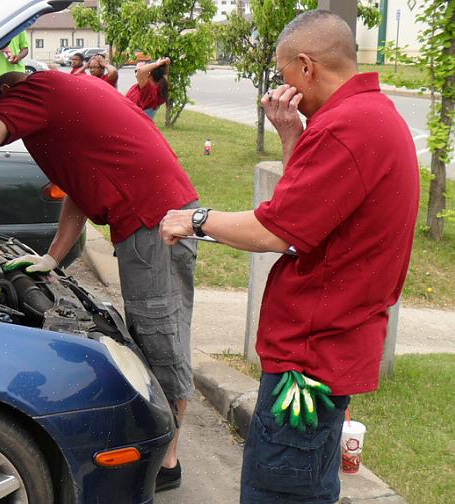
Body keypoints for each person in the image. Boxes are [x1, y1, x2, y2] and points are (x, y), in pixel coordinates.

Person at [159, 11, 419, 503]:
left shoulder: (347, 127)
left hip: (310, 358)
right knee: (309, 487)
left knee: (278, 490)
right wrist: (290, 132)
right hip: (330, 347)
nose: (284, 88)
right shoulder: (366, 116)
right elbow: (313, 209)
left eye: (284, 76)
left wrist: (192, 219)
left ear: (306, 67)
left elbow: (278, 229)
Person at [0, 70, 200, 492]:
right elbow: (77, 190)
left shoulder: (35, 90)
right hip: (153, 218)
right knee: (152, 331)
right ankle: (161, 447)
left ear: (8, 94)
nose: (6, 125)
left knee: (162, 337)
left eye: (2, 111)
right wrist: (52, 257)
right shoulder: (66, 98)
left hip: (154, 222)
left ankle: (167, 464)